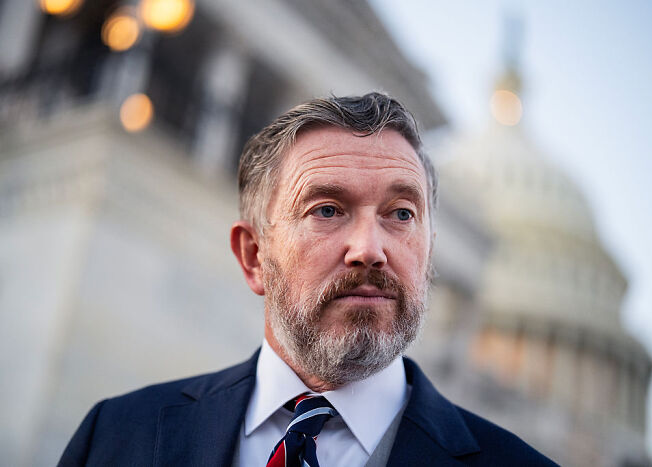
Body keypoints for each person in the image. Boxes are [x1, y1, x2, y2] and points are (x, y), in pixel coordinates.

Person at [59, 93, 557, 466]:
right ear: (254, 256)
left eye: (401, 213)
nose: (369, 250)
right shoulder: (115, 437)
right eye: (327, 209)